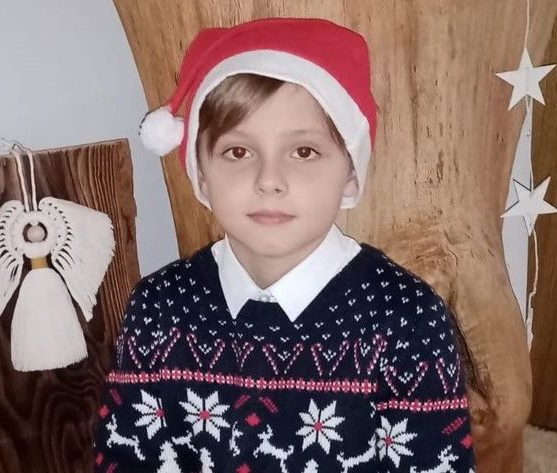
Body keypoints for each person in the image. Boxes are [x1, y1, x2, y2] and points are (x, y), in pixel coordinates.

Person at [93, 17, 476, 473]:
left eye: (304, 152)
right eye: (238, 152)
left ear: (350, 172)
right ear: (202, 173)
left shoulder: (407, 318)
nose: (269, 180)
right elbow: (126, 458)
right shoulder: (159, 307)